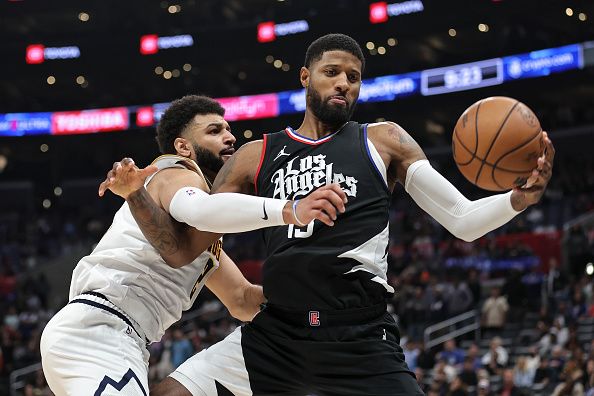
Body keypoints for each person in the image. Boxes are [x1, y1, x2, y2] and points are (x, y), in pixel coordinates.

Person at [113, 33, 554, 395]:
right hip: (278, 335)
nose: (344, 82)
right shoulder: (255, 154)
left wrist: (518, 199)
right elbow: (187, 243)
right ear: (306, 77)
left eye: (354, 77)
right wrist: (139, 194)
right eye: (332, 73)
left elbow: (462, 219)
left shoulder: (384, 140)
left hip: (359, 337)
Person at [39, 95, 346, 396]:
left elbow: (241, 299)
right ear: (183, 146)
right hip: (101, 330)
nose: (229, 138)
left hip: (114, 336)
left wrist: (312, 304)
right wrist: (290, 209)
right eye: (214, 131)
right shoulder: (177, 172)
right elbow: (200, 210)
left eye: (228, 130)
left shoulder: (200, 240)